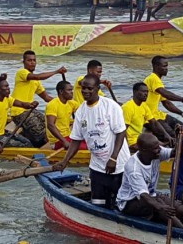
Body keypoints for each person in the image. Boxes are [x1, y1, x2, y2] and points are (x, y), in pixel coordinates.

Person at [54, 74, 129, 208]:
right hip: (97, 167)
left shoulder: (110, 106)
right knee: (98, 203)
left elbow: (121, 132)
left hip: (118, 166)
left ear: (97, 89)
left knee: (121, 203)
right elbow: (76, 140)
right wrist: (65, 161)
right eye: (83, 88)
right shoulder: (81, 111)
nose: (86, 92)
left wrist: (113, 158)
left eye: (90, 88)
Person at [116, 133, 183, 227]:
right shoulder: (134, 168)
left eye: (159, 146)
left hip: (152, 196)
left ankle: (182, 224)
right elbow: (143, 195)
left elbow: (177, 153)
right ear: (145, 150)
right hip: (131, 202)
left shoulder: (156, 152)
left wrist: (180, 139)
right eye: (156, 148)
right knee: (160, 206)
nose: (160, 150)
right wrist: (161, 207)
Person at [11, 50, 67, 148]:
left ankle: (29, 134)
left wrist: (64, 102)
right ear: (23, 62)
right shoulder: (22, 73)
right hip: (18, 112)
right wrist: (56, 71)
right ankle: (36, 144)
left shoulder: (36, 82)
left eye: (34, 60)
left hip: (30, 110)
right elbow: (38, 76)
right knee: (41, 133)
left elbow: (46, 97)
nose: (32, 62)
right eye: (29, 60)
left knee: (48, 125)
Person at [143, 56, 183, 139]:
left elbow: (166, 103)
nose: (167, 68)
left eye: (167, 66)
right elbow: (166, 94)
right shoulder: (153, 78)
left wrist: (182, 114)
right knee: (174, 135)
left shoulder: (158, 81)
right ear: (156, 66)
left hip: (159, 115)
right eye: (164, 66)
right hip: (150, 119)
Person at [0, 76, 37, 152]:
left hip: (2, 133)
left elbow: (21, 104)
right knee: (22, 146)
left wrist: (30, 105)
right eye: (6, 86)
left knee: (27, 142)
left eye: (8, 86)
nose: (8, 88)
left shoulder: (7, 98)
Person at [122, 82, 173, 151]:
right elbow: (123, 130)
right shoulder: (128, 107)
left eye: (147, 92)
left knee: (169, 143)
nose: (146, 94)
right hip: (131, 142)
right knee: (157, 148)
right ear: (135, 92)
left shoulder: (144, 105)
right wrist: (126, 148)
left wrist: (166, 135)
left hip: (140, 138)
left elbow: (154, 122)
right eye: (143, 91)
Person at [45, 81, 87, 150]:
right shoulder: (53, 105)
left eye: (72, 90)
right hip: (57, 140)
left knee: (92, 141)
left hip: (69, 136)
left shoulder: (71, 103)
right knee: (87, 147)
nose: (72, 92)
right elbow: (50, 125)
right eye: (69, 90)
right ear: (61, 91)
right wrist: (64, 141)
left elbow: (85, 112)